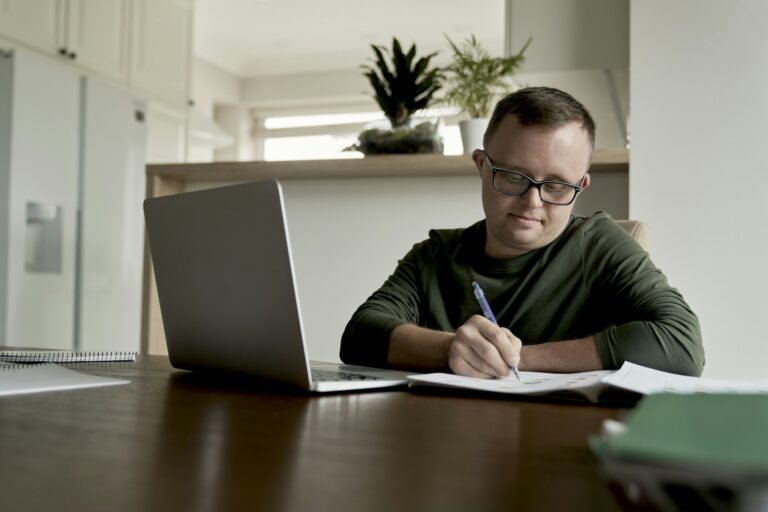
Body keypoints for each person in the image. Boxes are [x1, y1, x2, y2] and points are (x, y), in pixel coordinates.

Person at [340, 86, 704, 378]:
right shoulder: (434, 256)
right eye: (514, 176)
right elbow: (360, 335)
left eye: (558, 186)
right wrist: (451, 349)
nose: (533, 202)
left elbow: (681, 344)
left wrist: (517, 358)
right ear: (482, 165)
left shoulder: (598, 244)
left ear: (582, 185)